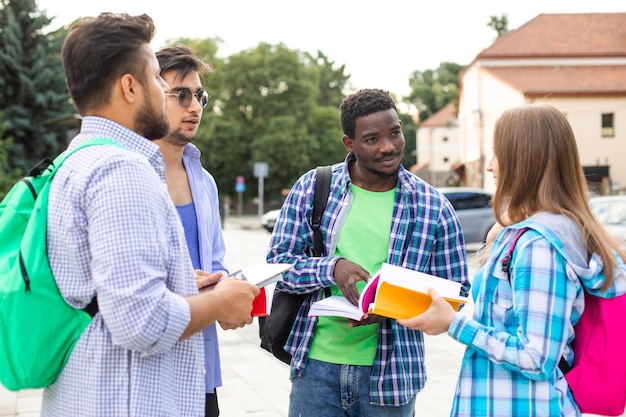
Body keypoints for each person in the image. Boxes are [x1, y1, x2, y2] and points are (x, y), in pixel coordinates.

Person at [43, 13, 259, 416]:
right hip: (129, 399)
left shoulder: (73, 160)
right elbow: (140, 321)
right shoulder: (122, 170)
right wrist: (219, 301)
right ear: (129, 87)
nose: (164, 90)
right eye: (158, 79)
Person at [398, 103, 626, 416]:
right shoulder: (527, 234)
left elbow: (537, 358)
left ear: (524, 161)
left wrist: (453, 324)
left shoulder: (539, 246)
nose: (491, 167)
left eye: (497, 154)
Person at [266, 88, 470, 416]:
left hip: (393, 377)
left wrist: (396, 306)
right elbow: (277, 266)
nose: (389, 146)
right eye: (373, 139)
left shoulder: (434, 207)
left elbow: (456, 293)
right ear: (350, 143)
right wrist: (331, 269)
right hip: (316, 372)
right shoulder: (313, 187)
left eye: (395, 133)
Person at [154, 45, 227, 417]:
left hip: (200, 369)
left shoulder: (205, 181)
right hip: (147, 373)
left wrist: (227, 292)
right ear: (149, 94)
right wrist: (186, 283)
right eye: (181, 95)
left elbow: (216, 262)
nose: (194, 106)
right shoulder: (129, 174)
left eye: (199, 95)